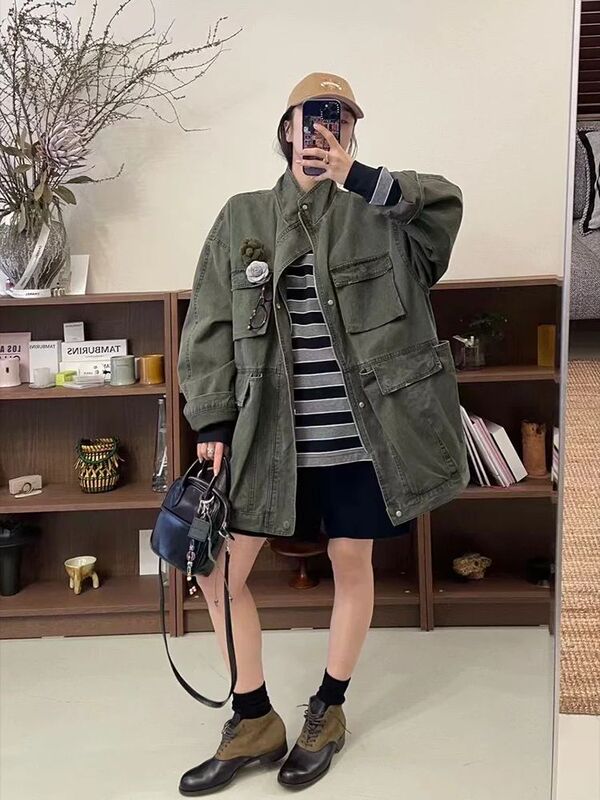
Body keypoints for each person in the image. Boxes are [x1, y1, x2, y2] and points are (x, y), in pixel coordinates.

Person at [177, 72, 465, 795]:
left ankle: (328, 710)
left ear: (352, 133)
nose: (323, 132)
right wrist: (212, 416)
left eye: (339, 120)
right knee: (215, 570)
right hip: (268, 438)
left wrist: (359, 177)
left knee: (350, 561)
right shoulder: (242, 216)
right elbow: (208, 321)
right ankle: (252, 717)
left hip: (362, 437)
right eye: (311, 118)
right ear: (286, 129)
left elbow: (444, 209)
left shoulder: (382, 212)